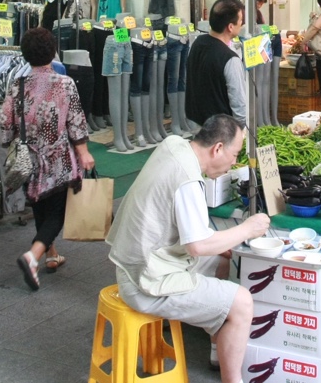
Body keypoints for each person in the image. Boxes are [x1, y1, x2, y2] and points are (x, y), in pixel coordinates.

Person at [106, 115, 269, 383]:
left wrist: (222, 243)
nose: (234, 162)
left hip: (135, 260)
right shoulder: (189, 181)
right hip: (144, 280)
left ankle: (217, 348)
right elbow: (197, 246)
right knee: (242, 302)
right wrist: (247, 229)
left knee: (221, 259)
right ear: (217, 148)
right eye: (234, 154)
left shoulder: (174, 144)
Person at [5, 27, 96, 291]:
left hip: (29, 158)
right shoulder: (64, 84)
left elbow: (6, 123)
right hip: (58, 159)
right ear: (53, 52)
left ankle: (51, 254)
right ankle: (33, 256)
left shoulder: (18, 85)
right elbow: (75, 122)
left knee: (40, 206)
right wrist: (84, 152)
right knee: (59, 210)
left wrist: (15, 141)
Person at [185, 0, 247, 126]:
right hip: (221, 128)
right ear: (230, 27)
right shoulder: (230, 59)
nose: (242, 24)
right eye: (241, 21)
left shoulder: (197, 43)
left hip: (195, 121)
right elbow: (238, 103)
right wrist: (240, 128)